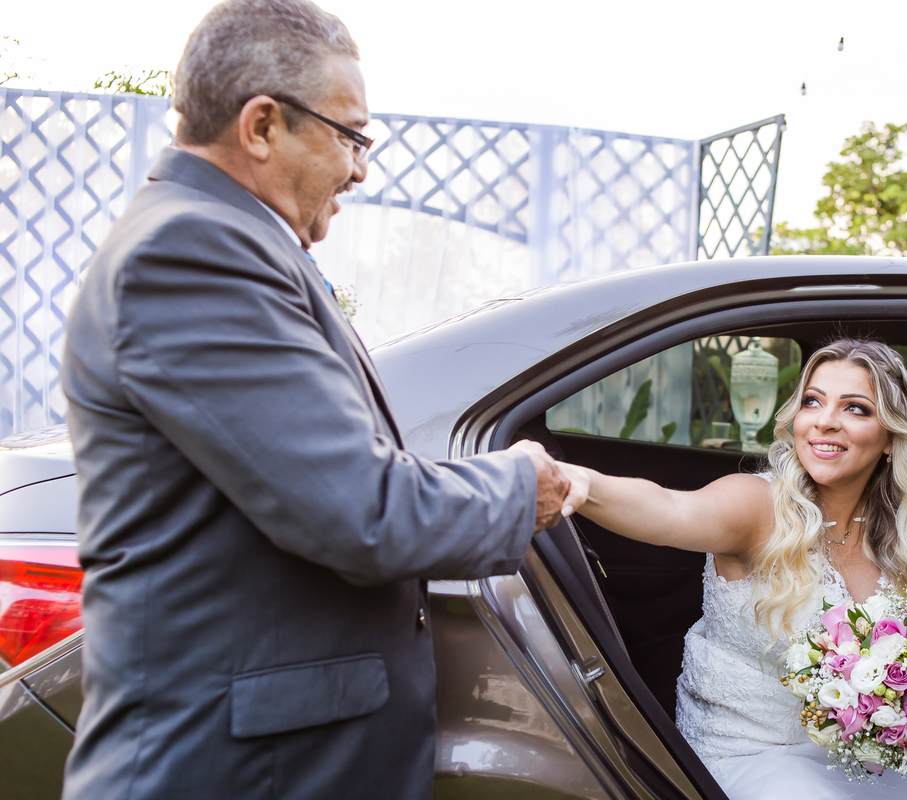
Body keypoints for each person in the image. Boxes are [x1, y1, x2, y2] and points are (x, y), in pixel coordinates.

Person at [60, 2, 581, 798]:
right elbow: (358, 509)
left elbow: (323, 470)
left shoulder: (220, 239)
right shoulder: (191, 251)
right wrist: (517, 488)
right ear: (262, 126)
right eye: (350, 136)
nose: (361, 169)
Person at [556, 339, 907, 799]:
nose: (824, 422)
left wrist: (903, 706)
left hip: (863, 750)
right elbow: (669, 511)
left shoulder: (906, 536)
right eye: (813, 402)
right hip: (751, 752)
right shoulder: (757, 505)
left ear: (889, 438)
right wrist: (574, 482)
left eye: (855, 408)